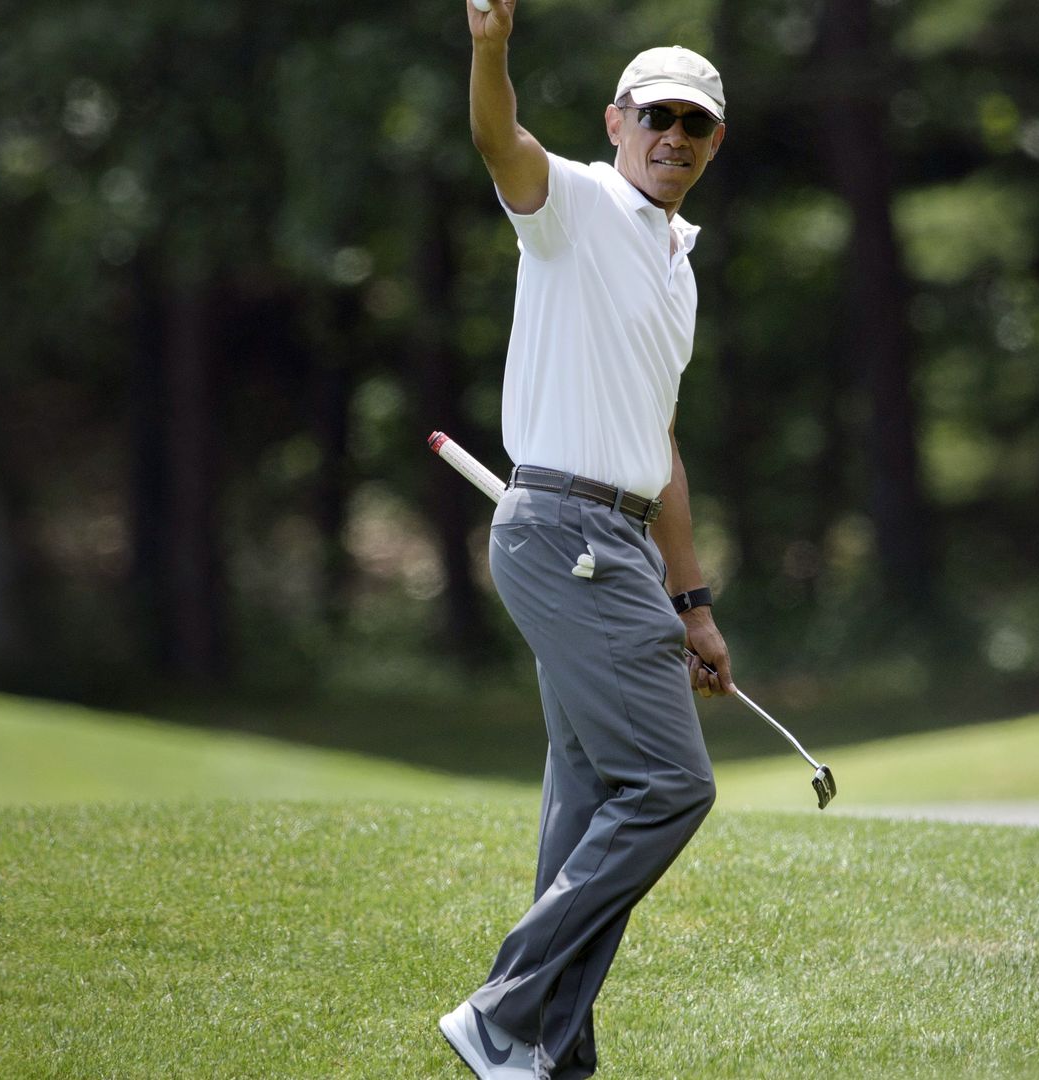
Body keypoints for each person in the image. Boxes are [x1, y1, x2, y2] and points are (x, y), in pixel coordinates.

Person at [439, 2, 735, 1077]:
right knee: (670, 786)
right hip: (563, 532)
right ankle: (504, 1008)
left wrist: (693, 601)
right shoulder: (573, 201)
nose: (672, 138)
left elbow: (659, 446)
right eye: (655, 116)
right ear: (616, 120)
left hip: (614, 543)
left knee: (588, 805)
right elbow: (495, 141)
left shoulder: (677, 264)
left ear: (712, 144)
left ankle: (550, 1055)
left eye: (693, 126)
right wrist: (490, 49)